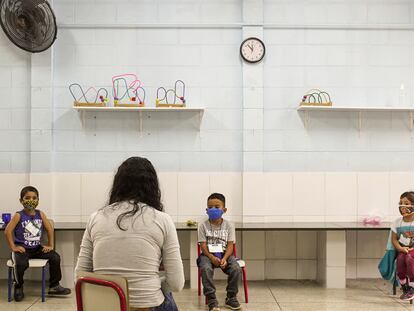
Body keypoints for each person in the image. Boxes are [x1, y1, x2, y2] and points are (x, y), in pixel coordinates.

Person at [75, 156, 184, 311]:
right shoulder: (162, 220)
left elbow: (79, 276)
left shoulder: (96, 218)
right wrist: (152, 284)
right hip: (146, 306)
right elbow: (176, 283)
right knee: (167, 296)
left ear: (118, 184)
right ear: (152, 186)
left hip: (103, 306)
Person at [4, 186, 71, 302]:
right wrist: (13, 247)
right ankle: (18, 286)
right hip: (22, 250)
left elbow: (49, 229)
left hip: (36, 248)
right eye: (27, 198)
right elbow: (7, 231)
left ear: (38, 200)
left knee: (55, 257)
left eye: (34, 198)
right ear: (21, 200)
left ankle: (54, 286)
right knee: (20, 264)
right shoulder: (18, 215)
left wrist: (50, 245)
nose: (31, 200)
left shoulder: (41, 214)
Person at [197, 193, 241, 311]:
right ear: (206, 210)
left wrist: (225, 258)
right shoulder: (202, 226)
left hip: (225, 254)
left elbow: (231, 245)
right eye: (210, 207)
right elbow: (203, 245)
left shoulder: (229, 225)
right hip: (207, 255)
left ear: (224, 209)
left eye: (217, 207)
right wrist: (212, 258)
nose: (213, 209)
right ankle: (211, 299)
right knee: (205, 268)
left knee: (236, 268)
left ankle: (231, 298)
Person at [391, 191, 414, 300]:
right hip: (403, 249)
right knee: (400, 260)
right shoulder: (397, 222)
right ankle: (405, 287)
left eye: (406, 203)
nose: (402, 206)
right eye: (401, 203)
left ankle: (412, 288)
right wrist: (400, 248)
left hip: (412, 251)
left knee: (410, 259)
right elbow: (394, 239)